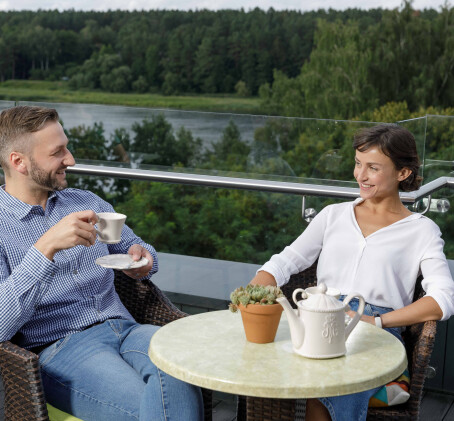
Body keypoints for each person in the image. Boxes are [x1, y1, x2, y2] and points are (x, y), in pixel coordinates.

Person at [0, 106, 204, 421]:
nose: (70, 160)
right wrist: (46, 247)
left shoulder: (87, 202)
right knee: (151, 409)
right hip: (62, 348)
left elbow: (137, 248)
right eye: (58, 152)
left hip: (127, 328)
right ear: (19, 162)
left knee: (181, 363)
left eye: (66, 147)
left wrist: (143, 259)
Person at [249, 124, 454, 421]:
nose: (360, 175)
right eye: (358, 164)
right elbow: (286, 262)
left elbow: (443, 300)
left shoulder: (422, 231)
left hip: (376, 330)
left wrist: (377, 321)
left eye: (373, 168)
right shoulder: (333, 215)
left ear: (403, 173)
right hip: (318, 316)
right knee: (309, 370)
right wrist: (256, 288)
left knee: (330, 379)